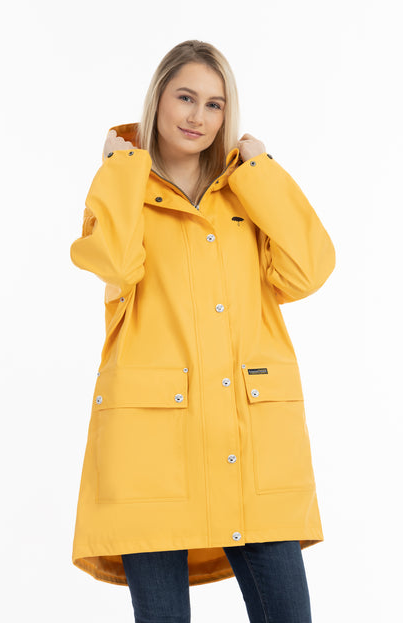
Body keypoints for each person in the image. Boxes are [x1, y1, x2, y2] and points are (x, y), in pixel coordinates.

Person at [70, 39, 336, 623]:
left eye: (215, 104)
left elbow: (309, 270)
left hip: (251, 444)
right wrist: (120, 169)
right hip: (151, 453)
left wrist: (261, 170)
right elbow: (115, 262)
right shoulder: (123, 190)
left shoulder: (247, 191)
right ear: (158, 100)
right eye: (185, 97)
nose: (198, 117)